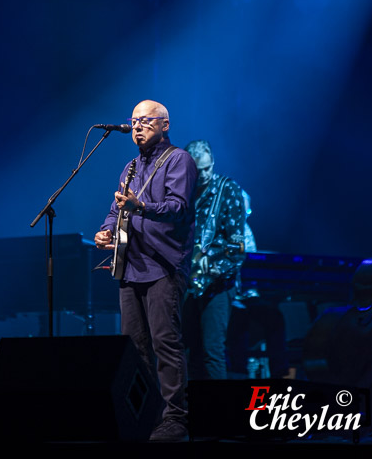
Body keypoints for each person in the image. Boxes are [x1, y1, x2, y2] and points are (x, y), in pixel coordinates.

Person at [94, 100, 197, 443]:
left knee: (165, 343)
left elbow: (177, 208)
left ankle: (176, 419)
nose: (137, 127)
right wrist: (106, 230)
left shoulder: (178, 160)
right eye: (133, 121)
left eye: (145, 121)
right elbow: (115, 210)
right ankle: (145, 416)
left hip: (163, 266)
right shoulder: (130, 168)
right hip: (131, 266)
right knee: (134, 347)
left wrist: (141, 206)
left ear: (164, 125)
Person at [182, 140, 257, 380]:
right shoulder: (184, 193)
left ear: (213, 163)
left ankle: (221, 412)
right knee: (186, 351)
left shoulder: (228, 189)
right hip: (187, 281)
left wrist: (213, 266)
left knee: (212, 351)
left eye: (207, 168)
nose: (203, 175)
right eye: (198, 170)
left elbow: (237, 247)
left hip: (218, 284)